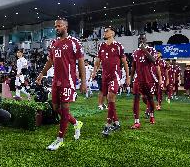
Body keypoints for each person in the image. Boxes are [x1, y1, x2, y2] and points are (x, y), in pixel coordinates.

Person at [36, 18, 86, 151]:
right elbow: (50, 61)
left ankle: (60, 139)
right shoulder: (53, 43)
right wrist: (42, 74)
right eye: (55, 26)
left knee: (64, 109)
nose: (56, 28)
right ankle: (76, 123)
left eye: (59, 26)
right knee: (56, 108)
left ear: (66, 27)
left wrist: (83, 81)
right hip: (55, 80)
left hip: (67, 81)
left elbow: (81, 62)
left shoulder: (74, 42)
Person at [92, 26, 130, 136]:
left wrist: (127, 77)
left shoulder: (118, 46)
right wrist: (94, 71)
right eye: (104, 31)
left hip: (115, 76)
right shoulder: (101, 46)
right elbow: (98, 61)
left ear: (112, 33)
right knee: (110, 101)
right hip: (104, 76)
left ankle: (108, 125)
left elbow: (125, 62)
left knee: (110, 97)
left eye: (106, 31)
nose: (104, 33)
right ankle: (116, 122)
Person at [131, 33, 161, 129]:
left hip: (148, 79)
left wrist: (144, 50)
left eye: (142, 39)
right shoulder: (135, 52)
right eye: (139, 39)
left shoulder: (151, 50)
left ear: (146, 40)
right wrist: (130, 78)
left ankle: (152, 115)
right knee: (136, 99)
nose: (141, 40)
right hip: (137, 79)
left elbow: (153, 61)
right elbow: (134, 66)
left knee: (150, 98)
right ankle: (136, 122)